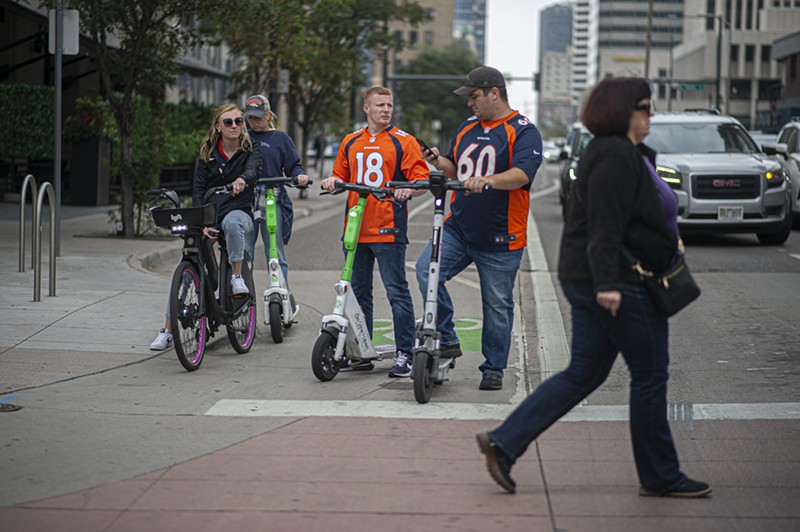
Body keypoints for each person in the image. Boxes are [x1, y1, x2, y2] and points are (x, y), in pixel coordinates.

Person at [476, 77, 712, 498]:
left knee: (584, 373)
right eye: (645, 106)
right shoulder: (614, 155)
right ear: (624, 110)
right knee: (651, 375)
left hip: (603, 278)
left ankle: (504, 442)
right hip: (619, 282)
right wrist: (609, 284)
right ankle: (660, 475)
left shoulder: (623, 153)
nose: (651, 113)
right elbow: (604, 226)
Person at [417, 66, 542, 391]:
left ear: (494, 93)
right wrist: (437, 162)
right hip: (459, 227)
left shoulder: (523, 130)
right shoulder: (467, 127)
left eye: (474, 96)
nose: (470, 103)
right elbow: (456, 166)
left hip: (501, 236)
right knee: (424, 272)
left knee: (497, 304)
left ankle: (494, 368)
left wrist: (488, 181)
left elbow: (523, 174)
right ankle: (447, 338)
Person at [320, 86, 428, 378]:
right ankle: (362, 352)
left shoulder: (403, 141)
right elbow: (340, 174)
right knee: (359, 294)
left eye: (389, 105)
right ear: (366, 108)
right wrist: (331, 181)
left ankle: (405, 352)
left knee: (396, 293)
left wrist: (409, 188)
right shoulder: (350, 141)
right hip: (355, 229)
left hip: (388, 228)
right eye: (379, 105)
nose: (386, 109)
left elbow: (421, 178)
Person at [150, 103, 260, 350]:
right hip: (210, 215)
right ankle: (167, 330)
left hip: (239, 212)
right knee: (187, 263)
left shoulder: (251, 148)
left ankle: (237, 278)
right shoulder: (207, 154)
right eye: (228, 122)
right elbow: (198, 190)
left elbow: (253, 170)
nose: (235, 126)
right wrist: (200, 224)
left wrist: (242, 179)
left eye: (239, 121)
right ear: (218, 127)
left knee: (233, 223)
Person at [242, 94, 308, 313]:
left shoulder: (281, 138)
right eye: (250, 118)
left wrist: (300, 176)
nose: (254, 121)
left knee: (275, 252)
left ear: (268, 115)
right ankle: (242, 301)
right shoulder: (243, 137)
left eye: (258, 117)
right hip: (247, 199)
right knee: (244, 254)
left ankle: (284, 299)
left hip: (273, 197)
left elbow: (293, 166)